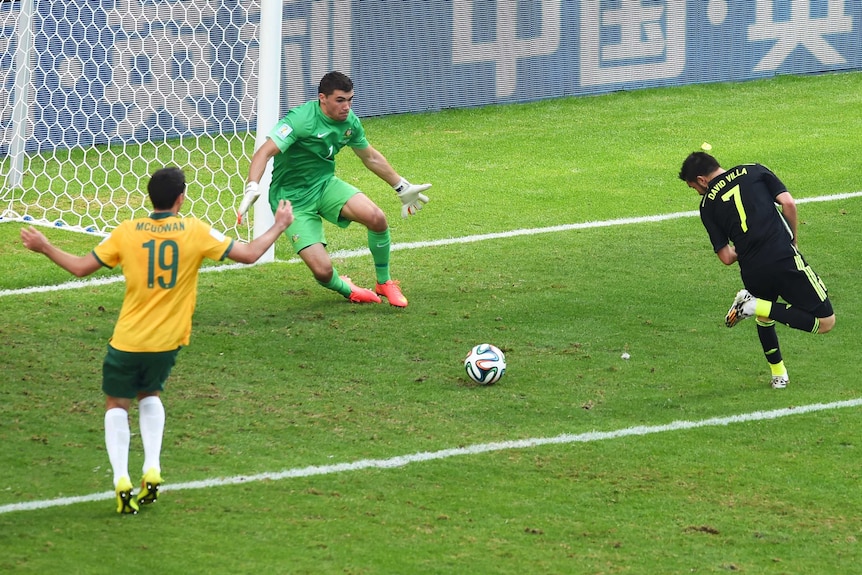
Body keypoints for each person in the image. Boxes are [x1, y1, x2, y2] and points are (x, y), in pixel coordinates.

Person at [20, 167, 294, 514]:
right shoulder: (195, 231)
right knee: (150, 394)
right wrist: (279, 224)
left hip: (127, 341)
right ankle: (152, 466)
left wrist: (45, 246)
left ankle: (121, 477)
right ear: (181, 198)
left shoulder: (127, 232)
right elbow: (251, 253)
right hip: (166, 343)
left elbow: (79, 267)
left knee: (116, 404)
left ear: (151, 197)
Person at [237, 70, 430, 308]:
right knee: (323, 271)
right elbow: (264, 152)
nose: (347, 107)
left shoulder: (350, 122)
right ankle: (347, 288)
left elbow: (370, 157)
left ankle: (384, 282)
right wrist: (252, 185)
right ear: (322, 98)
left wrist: (400, 186)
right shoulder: (300, 119)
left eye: (350, 100)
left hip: (325, 185)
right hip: (292, 200)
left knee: (377, 218)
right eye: (340, 100)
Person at [678, 151, 835, 389]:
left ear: (701, 180)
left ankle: (778, 374)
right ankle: (750, 304)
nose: (698, 192)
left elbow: (727, 257)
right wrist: (792, 240)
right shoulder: (754, 170)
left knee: (766, 315)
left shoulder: (706, 205)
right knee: (825, 322)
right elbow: (788, 203)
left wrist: (748, 246)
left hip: (752, 268)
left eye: (694, 188)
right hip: (782, 257)